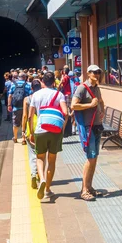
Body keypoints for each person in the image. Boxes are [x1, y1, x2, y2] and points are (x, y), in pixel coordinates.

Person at [29, 72, 67, 200]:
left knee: (40, 158)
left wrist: (31, 132)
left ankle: (42, 179)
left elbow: (30, 116)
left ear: (42, 82)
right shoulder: (59, 95)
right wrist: (62, 127)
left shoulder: (36, 95)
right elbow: (66, 112)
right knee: (52, 160)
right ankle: (48, 189)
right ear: (54, 82)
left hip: (40, 129)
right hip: (55, 131)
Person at [71, 64, 105, 201]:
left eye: (98, 72)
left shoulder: (96, 88)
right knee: (90, 158)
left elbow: (101, 101)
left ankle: (89, 187)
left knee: (94, 158)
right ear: (88, 73)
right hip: (87, 127)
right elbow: (73, 105)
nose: (96, 74)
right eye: (94, 72)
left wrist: (102, 110)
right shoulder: (81, 88)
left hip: (97, 126)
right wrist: (90, 105)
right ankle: (84, 190)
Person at [22, 78, 42, 189]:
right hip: (42, 127)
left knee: (32, 154)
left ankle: (33, 174)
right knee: (41, 153)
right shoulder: (43, 97)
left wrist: (23, 130)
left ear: (31, 88)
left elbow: (25, 116)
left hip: (31, 129)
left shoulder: (27, 99)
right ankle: (40, 174)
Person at [8, 73, 32, 144]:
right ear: (25, 77)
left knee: (15, 123)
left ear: (18, 77)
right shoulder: (28, 85)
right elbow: (30, 95)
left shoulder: (13, 85)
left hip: (16, 107)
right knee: (25, 122)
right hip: (26, 107)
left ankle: (15, 138)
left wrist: (9, 105)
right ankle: (23, 139)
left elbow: (10, 96)